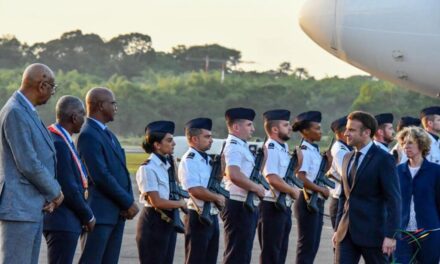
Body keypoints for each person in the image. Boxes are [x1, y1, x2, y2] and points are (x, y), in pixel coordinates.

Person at [0, 63, 64, 264]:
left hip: (30, 205)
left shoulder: (26, 110)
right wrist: (55, 192)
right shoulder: (15, 112)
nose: (53, 93)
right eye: (52, 87)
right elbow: (28, 162)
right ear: (42, 85)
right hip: (19, 207)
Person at [77, 87, 139, 264]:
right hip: (100, 214)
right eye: (112, 103)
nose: (115, 108)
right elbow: (100, 175)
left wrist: (126, 203)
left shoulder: (107, 133)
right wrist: (127, 202)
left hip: (116, 213)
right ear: (100, 105)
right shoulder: (88, 134)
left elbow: (120, 172)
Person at [333, 111, 401, 264]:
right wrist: (338, 229)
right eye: (346, 129)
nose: (346, 133)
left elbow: (394, 200)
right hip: (346, 234)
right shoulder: (347, 157)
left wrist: (391, 235)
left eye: (351, 130)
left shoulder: (384, 159)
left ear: (366, 132)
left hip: (374, 234)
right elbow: (344, 196)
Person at [43, 96, 95, 264]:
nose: (84, 120)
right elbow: (68, 187)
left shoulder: (62, 139)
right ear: (74, 117)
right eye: (83, 115)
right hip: (63, 221)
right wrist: (88, 216)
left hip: (66, 220)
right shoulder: (59, 142)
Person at [136, 121, 186, 264]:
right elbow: (156, 201)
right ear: (157, 145)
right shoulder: (148, 168)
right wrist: (180, 203)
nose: (174, 143)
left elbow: (177, 186)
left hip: (168, 221)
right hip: (154, 222)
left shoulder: (168, 165)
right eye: (169, 140)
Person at [178, 117, 226, 264]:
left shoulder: (206, 159)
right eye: (207, 137)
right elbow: (195, 189)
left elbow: (215, 182)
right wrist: (217, 198)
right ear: (194, 139)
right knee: (196, 259)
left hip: (210, 214)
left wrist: (222, 165)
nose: (211, 140)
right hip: (197, 215)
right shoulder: (190, 160)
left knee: (210, 259)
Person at [221, 107, 264, 264]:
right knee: (236, 253)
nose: (252, 129)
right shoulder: (233, 146)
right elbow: (234, 174)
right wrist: (257, 188)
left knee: (243, 252)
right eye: (249, 125)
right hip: (237, 204)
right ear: (236, 127)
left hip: (245, 203)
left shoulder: (241, 145)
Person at [257, 109, 300, 264]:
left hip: (282, 205)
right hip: (271, 206)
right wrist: (292, 191)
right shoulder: (271, 148)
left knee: (281, 251)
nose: (290, 128)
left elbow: (285, 176)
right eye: (286, 125)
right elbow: (272, 178)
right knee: (271, 253)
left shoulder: (283, 148)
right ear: (275, 129)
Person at [394, 126, 440, 263]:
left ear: (421, 144)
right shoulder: (397, 171)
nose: (405, 146)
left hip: (429, 231)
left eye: (410, 143)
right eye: (403, 143)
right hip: (402, 232)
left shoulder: (436, 171)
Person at [292, 110, 332, 264]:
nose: (320, 132)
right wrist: (320, 189)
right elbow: (300, 177)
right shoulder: (304, 151)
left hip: (316, 200)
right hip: (307, 200)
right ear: (305, 131)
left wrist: (328, 162)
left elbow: (318, 175)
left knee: (313, 245)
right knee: (307, 246)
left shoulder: (314, 150)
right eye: (317, 128)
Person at [328, 116, 351, 230]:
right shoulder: (339, 150)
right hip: (339, 202)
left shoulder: (347, 148)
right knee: (340, 244)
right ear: (343, 133)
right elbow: (348, 176)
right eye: (350, 130)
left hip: (346, 199)